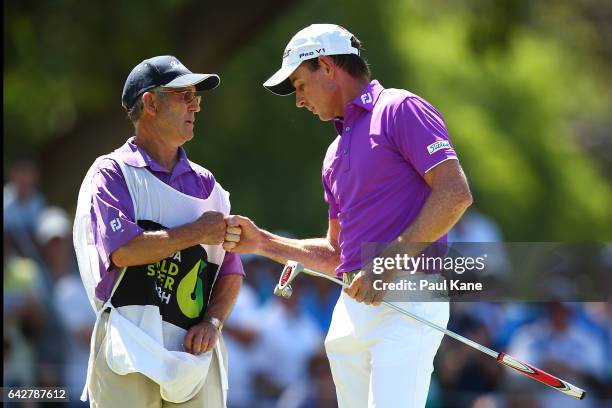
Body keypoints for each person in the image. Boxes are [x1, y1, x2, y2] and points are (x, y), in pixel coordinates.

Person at [223, 24, 473, 407]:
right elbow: (337, 253)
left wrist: (387, 263)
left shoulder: (398, 109)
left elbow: (455, 193)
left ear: (326, 67)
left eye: (299, 85)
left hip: (409, 292)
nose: (298, 100)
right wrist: (263, 242)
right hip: (353, 307)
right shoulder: (333, 153)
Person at [73, 55, 244, 408]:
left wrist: (213, 321)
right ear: (150, 102)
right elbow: (124, 251)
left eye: (197, 97)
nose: (196, 105)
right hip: (129, 347)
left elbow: (231, 270)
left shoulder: (209, 186)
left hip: (195, 355)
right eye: (184, 95)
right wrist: (197, 231)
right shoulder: (112, 172)